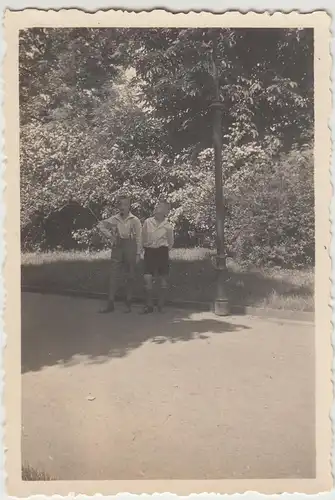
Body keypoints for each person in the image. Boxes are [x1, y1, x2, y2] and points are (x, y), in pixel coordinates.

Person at [97, 196, 142, 313]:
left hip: (130, 246)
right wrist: (111, 236)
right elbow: (101, 225)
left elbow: (139, 237)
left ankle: (128, 303)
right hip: (118, 246)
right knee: (114, 274)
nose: (122, 207)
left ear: (129, 206)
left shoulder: (135, 220)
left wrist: (138, 253)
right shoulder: (115, 219)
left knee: (129, 275)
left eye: (125, 205)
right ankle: (110, 303)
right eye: (120, 205)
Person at [141, 200, 174, 313]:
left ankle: (160, 304)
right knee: (147, 278)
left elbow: (170, 242)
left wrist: (163, 250)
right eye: (155, 206)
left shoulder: (168, 226)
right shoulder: (147, 222)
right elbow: (143, 237)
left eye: (159, 207)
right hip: (149, 252)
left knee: (163, 279)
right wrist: (145, 247)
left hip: (162, 252)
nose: (156, 208)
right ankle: (149, 304)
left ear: (166, 211)